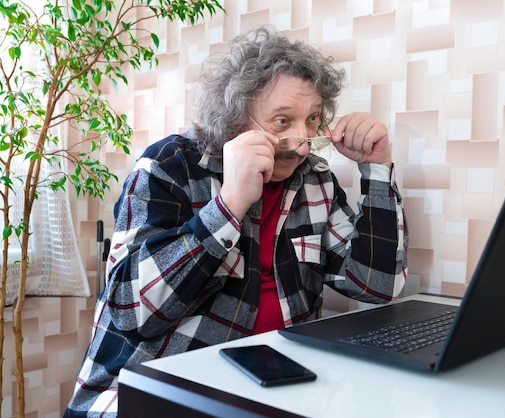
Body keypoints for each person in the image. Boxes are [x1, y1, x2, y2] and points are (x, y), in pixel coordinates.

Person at [64, 25, 408, 417]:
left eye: (312, 120)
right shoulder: (169, 166)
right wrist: (228, 206)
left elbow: (377, 286)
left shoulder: (315, 179)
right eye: (282, 121)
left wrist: (376, 169)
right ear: (234, 119)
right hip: (151, 391)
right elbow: (132, 312)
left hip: (269, 391)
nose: (301, 142)